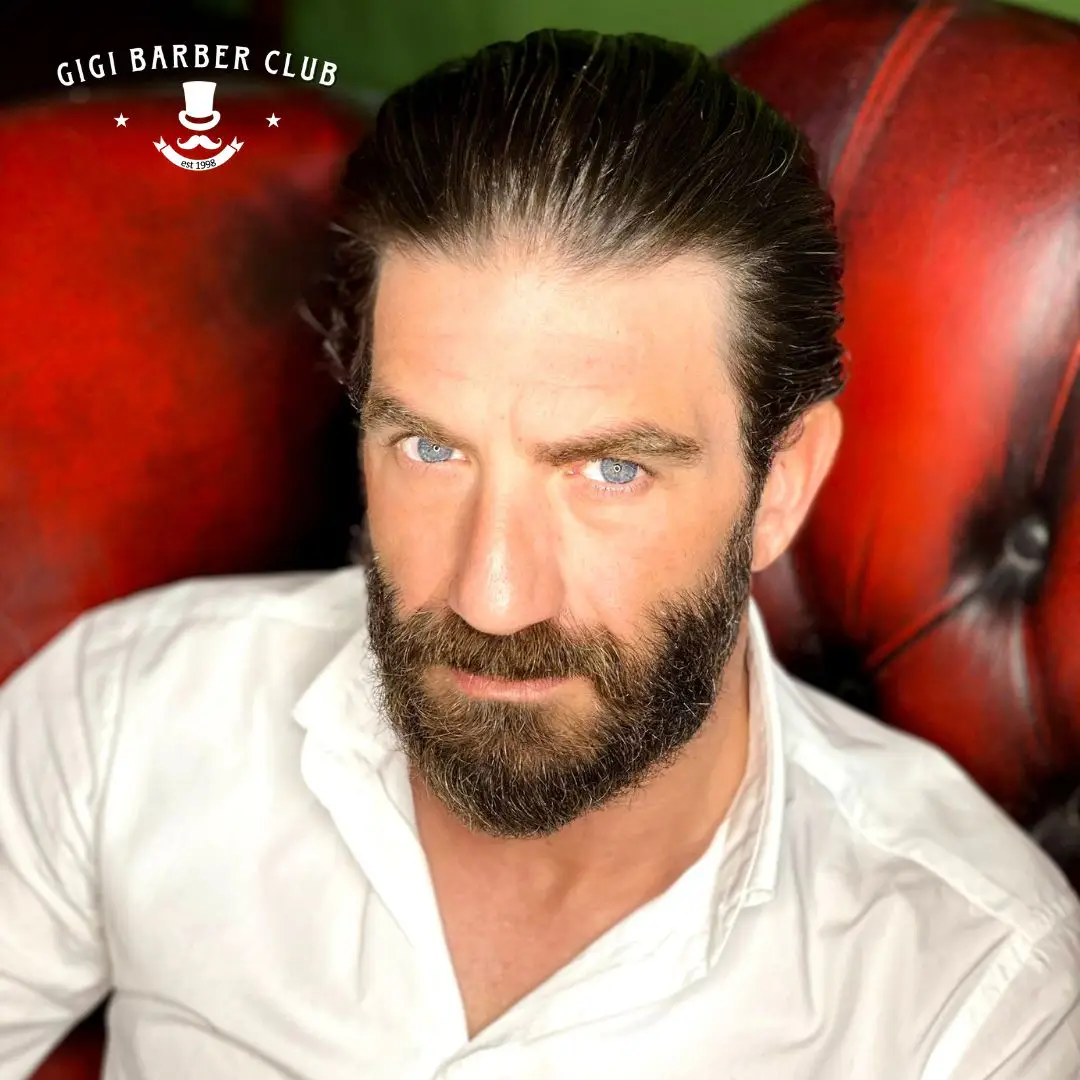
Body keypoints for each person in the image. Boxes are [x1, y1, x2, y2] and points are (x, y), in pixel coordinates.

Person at [1, 28, 1078, 1080]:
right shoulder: (127, 718)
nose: (494, 597)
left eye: (609, 470)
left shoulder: (974, 1005)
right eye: (430, 449)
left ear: (779, 484)